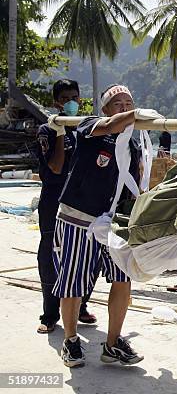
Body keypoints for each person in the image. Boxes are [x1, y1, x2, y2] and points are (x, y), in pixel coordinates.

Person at [52, 84, 162, 367]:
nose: (124, 108)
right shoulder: (90, 126)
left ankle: (113, 343)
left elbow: (134, 185)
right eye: (118, 104)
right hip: (78, 218)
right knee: (73, 282)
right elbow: (111, 125)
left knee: (123, 279)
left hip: (112, 223)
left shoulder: (133, 146)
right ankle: (71, 340)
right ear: (105, 110)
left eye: (129, 103)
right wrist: (135, 114)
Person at [35, 79, 97, 334]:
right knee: (50, 255)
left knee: (85, 254)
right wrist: (60, 132)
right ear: (56, 103)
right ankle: (50, 314)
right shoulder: (47, 130)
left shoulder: (86, 128)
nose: (71, 102)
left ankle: (80, 306)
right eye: (65, 99)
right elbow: (56, 166)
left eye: (75, 97)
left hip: (81, 201)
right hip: (53, 200)